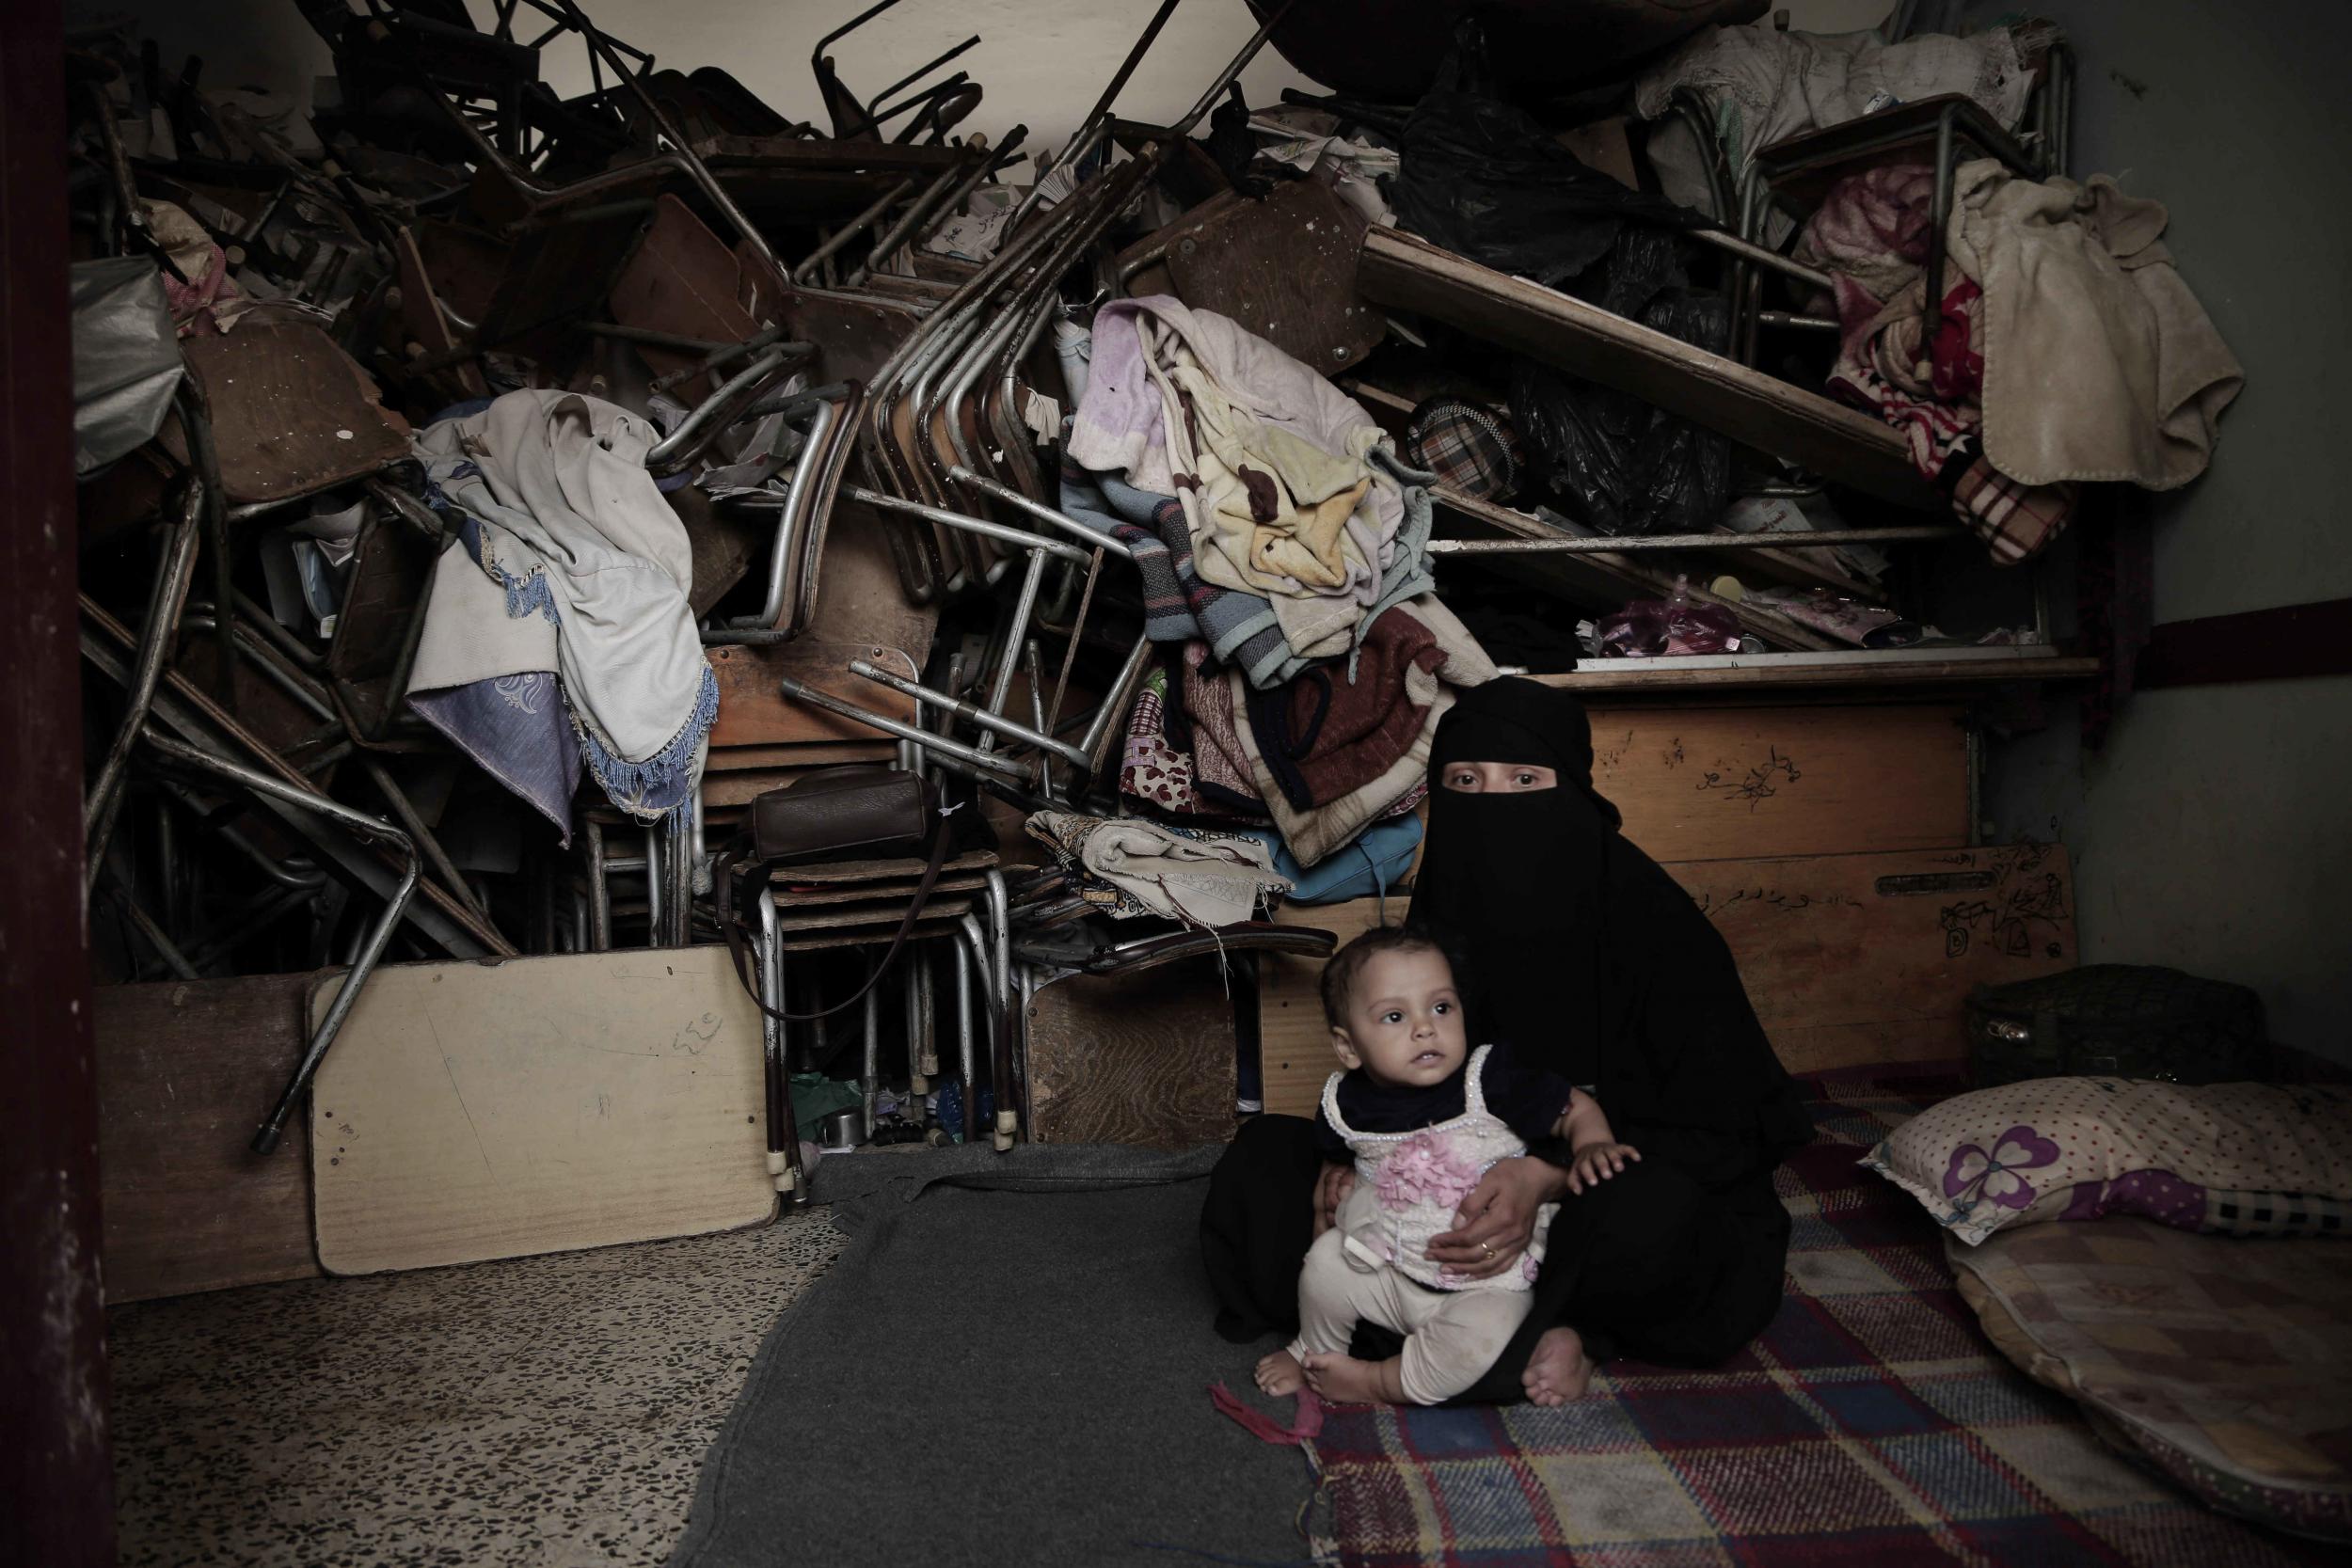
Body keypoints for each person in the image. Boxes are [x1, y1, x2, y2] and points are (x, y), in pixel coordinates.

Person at [1203, 677, 1814, 1403]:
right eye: (1466, 782)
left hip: (1590, 1194)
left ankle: (1546, 1333)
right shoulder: (1445, 911)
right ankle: (1483, 1341)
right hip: (1430, 1200)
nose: (1493, 806)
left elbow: (1727, 1133)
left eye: (1525, 779)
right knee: (1264, 1166)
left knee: (1654, 1217)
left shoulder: (1658, 929)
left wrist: (1549, 1177)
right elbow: (1397, 1061)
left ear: (1574, 793)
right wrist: (1352, 1164)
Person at [1253, 927, 1637, 1407]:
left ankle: (1378, 1382)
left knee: (1483, 1337)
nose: (1425, 1028)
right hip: (1388, 1267)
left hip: (1488, 1282)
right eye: (1395, 1016)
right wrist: (1335, 1184)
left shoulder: (1487, 1078)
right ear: (1349, 1048)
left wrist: (1592, 1144)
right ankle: (1312, 1349)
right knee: (1324, 1265)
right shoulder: (1342, 1103)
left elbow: (1571, 1106)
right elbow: (1335, 1158)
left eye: (1441, 1007)